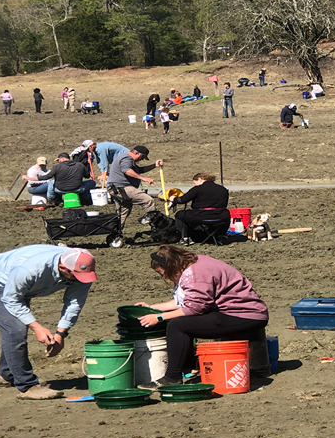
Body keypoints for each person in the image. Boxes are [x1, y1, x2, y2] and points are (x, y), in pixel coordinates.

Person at [134, 245, 268, 389]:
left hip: (245, 315)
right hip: (237, 311)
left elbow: (196, 308)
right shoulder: (194, 264)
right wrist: (152, 308)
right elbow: (188, 301)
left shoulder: (195, 273)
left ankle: (172, 377)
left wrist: (159, 317)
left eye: (163, 273)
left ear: (172, 266)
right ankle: (188, 367)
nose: (164, 277)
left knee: (177, 325)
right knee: (177, 321)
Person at [0, 245, 96, 400]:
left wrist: (61, 333)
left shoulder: (83, 269)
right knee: (15, 330)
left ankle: (7, 373)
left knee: (16, 329)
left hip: (21, 285)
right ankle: (28, 386)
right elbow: (11, 298)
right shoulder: (32, 269)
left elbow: (75, 303)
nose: (80, 281)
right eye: (75, 277)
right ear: (62, 268)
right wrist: (36, 327)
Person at [108, 146, 164, 228]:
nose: (141, 159)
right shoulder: (126, 158)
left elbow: (139, 170)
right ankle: (155, 225)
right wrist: (143, 178)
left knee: (123, 211)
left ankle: (116, 232)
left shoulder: (127, 159)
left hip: (117, 189)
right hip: (121, 188)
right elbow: (126, 170)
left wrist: (154, 165)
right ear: (136, 153)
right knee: (148, 200)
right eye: (142, 157)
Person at [168, 173, 229, 246]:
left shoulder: (197, 189)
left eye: (195, 183)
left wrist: (173, 198)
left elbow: (182, 200)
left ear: (200, 179)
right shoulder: (223, 189)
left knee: (179, 214)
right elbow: (224, 204)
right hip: (220, 217)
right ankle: (222, 236)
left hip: (200, 216)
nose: (195, 185)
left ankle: (185, 238)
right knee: (226, 212)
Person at [24, 152, 96, 204]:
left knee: (51, 183)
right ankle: (85, 198)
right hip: (78, 189)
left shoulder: (56, 167)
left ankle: (51, 199)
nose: (58, 162)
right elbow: (87, 176)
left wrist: (29, 178)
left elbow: (45, 177)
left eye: (58, 160)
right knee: (92, 183)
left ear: (61, 159)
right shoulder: (80, 165)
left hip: (60, 190)